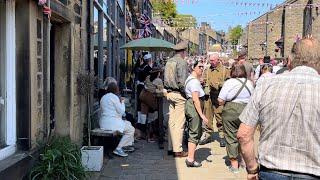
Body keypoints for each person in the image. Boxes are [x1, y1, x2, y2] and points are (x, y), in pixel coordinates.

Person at [237, 37, 320, 180]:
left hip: (271, 171)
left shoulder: (266, 84)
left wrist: (252, 169)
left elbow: (244, 135)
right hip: (313, 172)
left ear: (289, 60)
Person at [218, 62, 254, 173]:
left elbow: (220, 100)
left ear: (232, 71)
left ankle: (234, 166)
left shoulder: (229, 82)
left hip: (231, 111)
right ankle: (246, 162)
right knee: (246, 137)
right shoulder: (249, 83)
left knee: (231, 137)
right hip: (246, 111)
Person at [164, 40, 189, 157]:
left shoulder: (169, 61)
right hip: (179, 95)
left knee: (172, 123)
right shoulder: (182, 62)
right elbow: (182, 82)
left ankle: (170, 147)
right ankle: (178, 150)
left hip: (169, 94)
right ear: (183, 52)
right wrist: (187, 95)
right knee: (179, 123)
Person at [201, 52, 230, 147]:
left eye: (213, 60)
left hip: (219, 97)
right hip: (208, 97)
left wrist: (219, 84)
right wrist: (203, 82)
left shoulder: (225, 70)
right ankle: (208, 134)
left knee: (220, 116)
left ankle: (222, 136)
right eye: (210, 60)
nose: (211, 62)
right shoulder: (207, 69)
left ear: (218, 60)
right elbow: (204, 78)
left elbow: (229, 82)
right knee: (208, 116)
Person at [99, 82, 135, 157]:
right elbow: (121, 111)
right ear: (116, 90)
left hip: (103, 123)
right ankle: (119, 148)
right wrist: (122, 102)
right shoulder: (114, 97)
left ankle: (126, 145)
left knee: (128, 124)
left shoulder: (103, 97)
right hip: (112, 124)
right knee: (131, 130)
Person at [184, 60, 209, 167]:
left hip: (192, 106)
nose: (202, 69)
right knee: (194, 132)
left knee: (194, 131)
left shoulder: (193, 79)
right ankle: (190, 159)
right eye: (199, 66)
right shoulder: (194, 81)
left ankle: (190, 156)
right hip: (193, 107)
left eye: (203, 67)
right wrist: (202, 115)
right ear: (193, 67)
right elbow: (195, 99)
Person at [139, 67, 165, 142]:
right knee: (154, 117)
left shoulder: (148, 77)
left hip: (144, 98)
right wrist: (156, 90)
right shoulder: (158, 80)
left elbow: (146, 86)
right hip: (151, 100)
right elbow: (161, 91)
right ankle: (151, 136)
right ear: (158, 73)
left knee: (146, 118)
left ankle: (145, 135)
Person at [136, 53, 153, 138]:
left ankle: (139, 124)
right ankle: (143, 127)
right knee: (144, 106)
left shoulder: (140, 66)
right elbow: (149, 80)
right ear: (149, 60)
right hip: (144, 89)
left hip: (139, 87)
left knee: (139, 106)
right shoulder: (148, 68)